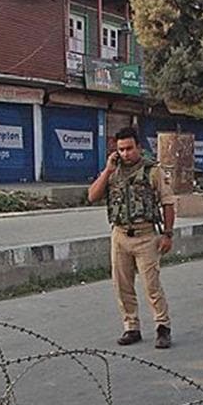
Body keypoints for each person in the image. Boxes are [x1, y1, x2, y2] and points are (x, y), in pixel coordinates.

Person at [88, 126, 176, 349]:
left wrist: (167, 234)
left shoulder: (152, 171)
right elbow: (92, 196)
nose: (126, 153)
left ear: (138, 147)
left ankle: (162, 327)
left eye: (129, 148)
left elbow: (167, 203)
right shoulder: (113, 172)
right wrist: (107, 171)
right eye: (121, 149)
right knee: (122, 286)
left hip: (146, 235)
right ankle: (131, 327)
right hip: (120, 235)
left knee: (151, 286)